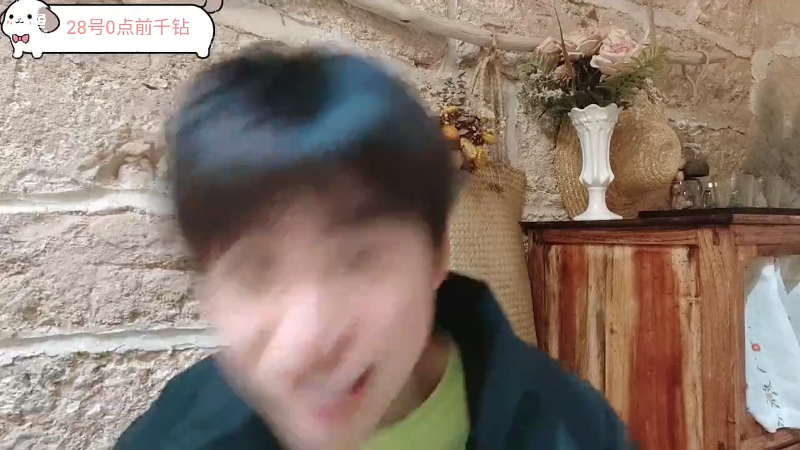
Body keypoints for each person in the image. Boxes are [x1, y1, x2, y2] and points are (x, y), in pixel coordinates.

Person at [115, 45, 631, 450]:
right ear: (208, 293)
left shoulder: (573, 430)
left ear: (437, 254)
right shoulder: (170, 438)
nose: (312, 341)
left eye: (360, 259)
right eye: (255, 270)